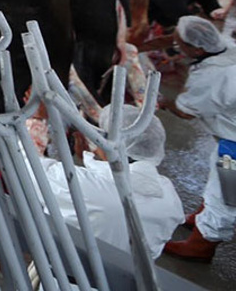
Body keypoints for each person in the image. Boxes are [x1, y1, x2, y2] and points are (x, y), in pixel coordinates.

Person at [31, 107, 182, 258]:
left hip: (62, 276)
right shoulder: (169, 197)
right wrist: (91, 162)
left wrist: (37, 120)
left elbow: (25, 167)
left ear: (109, 144)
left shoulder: (75, 184)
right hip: (127, 279)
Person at [160, 16, 236, 260]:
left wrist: (162, 102)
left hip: (234, 147)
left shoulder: (212, 79)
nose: (175, 45)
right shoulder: (226, 46)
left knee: (225, 195)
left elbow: (185, 109)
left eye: (179, 43)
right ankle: (202, 218)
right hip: (229, 135)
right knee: (217, 176)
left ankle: (202, 246)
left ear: (198, 48)